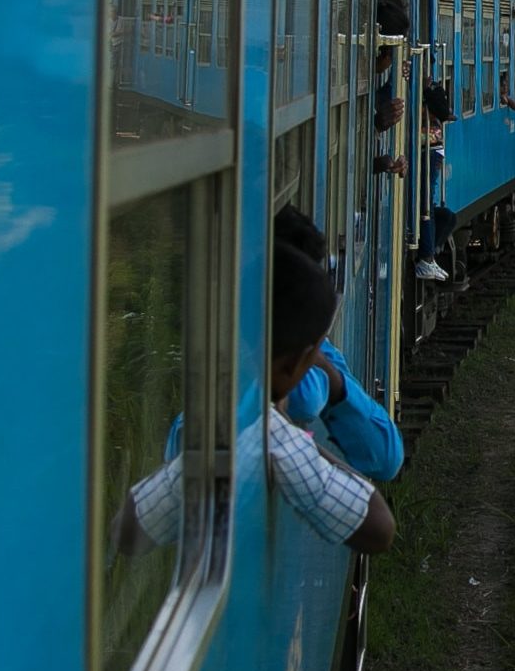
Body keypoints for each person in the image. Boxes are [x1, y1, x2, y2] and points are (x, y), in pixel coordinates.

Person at [122, 207, 393, 553]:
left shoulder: (219, 413)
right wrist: (307, 446)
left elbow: (128, 530)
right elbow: (379, 526)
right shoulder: (273, 435)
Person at [269, 207, 406, 478]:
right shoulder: (309, 353)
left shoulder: (317, 351)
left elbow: (387, 457)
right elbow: (306, 400)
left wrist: (326, 370)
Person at [414, 80, 453, 282]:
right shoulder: (430, 125)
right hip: (429, 158)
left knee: (443, 214)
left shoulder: (430, 125)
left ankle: (429, 258)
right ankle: (427, 258)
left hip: (431, 158)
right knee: (428, 205)